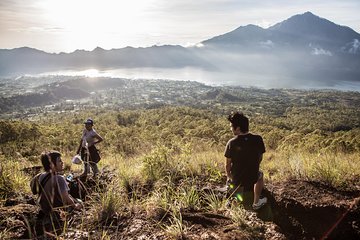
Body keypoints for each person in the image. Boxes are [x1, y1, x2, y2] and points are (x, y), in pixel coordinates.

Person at [32, 150, 82, 237]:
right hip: (57, 210)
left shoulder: (38, 176)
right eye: (59, 161)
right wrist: (76, 206)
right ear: (52, 164)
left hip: (43, 209)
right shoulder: (59, 178)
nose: (62, 163)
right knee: (80, 202)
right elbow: (66, 198)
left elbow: (34, 191)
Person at [224, 112, 267, 210]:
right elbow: (260, 158)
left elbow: (227, 166)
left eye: (231, 126)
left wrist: (229, 176)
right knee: (260, 175)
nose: (231, 129)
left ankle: (234, 201)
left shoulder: (231, 143)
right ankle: (256, 202)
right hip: (252, 177)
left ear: (238, 128)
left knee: (230, 180)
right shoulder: (258, 139)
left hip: (237, 179)